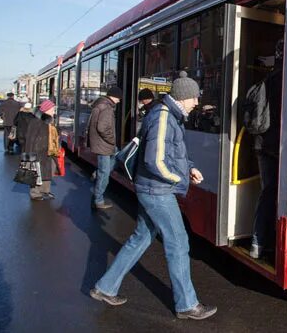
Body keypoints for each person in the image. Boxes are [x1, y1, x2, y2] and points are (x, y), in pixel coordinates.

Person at [90, 72, 217, 321]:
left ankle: (104, 288)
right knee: (179, 242)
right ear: (182, 97)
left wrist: (189, 167)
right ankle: (187, 305)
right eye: (194, 98)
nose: (196, 102)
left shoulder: (168, 115)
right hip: (157, 191)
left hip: (152, 189)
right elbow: (155, 160)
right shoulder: (163, 118)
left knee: (140, 238)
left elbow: (173, 153)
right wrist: (178, 178)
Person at [250, 39, 284, 260]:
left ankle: (259, 242)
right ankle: (262, 241)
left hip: (263, 144)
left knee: (268, 192)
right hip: (277, 146)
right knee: (274, 193)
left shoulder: (268, 77)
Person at [87, 86, 122, 209]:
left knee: (118, 155)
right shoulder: (107, 108)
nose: (120, 100)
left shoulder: (100, 105)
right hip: (104, 145)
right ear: (114, 96)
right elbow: (102, 128)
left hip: (101, 144)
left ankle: (96, 174)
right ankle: (98, 200)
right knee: (105, 173)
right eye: (119, 98)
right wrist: (112, 140)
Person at [24, 100, 57, 201]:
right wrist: (29, 155)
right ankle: (35, 193)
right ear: (46, 109)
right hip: (37, 150)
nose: (54, 111)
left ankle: (45, 191)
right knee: (35, 171)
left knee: (48, 170)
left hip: (47, 150)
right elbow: (30, 138)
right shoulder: (36, 121)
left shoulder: (48, 121)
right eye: (52, 109)